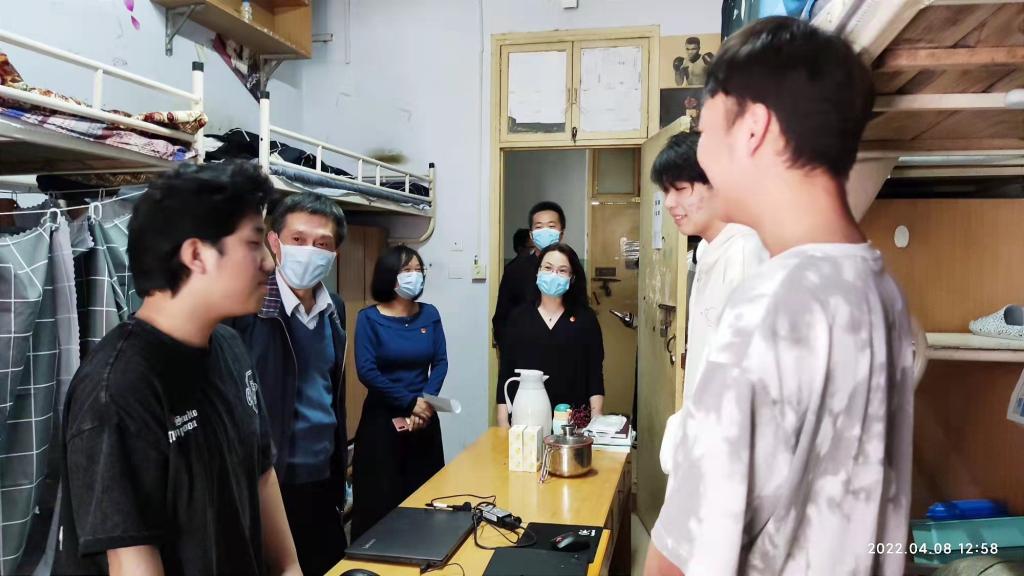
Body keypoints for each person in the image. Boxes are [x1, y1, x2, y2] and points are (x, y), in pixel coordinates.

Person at [646, 17, 914, 576]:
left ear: (752, 129)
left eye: (707, 127)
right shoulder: (879, 288)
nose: (703, 151)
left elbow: (680, 555)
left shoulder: (770, 304)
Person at [58, 162, 300, 575]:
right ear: (196, 255)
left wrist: (290, 569)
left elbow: (261, 474)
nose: (269, 262)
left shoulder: (230, 347)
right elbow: (131, 561)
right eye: (253, 242)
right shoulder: (117, 390)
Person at [226, 191, 349, 576]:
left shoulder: (334, 309)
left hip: (323, 481)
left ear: (334, 253)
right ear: (274, 242)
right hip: (268, 485)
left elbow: (333, 393)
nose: (309, 251)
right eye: (298, 239)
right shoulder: (248, 307)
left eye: (322, 244)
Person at [651, 131, 768, 475]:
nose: (669, 203)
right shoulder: (708, 252)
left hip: (732, 455)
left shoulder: (746, 254)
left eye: (679, 188)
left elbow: (748, 379)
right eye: (666, 191)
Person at [351, 245, 448, 539]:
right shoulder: (369, 318)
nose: (414, 276)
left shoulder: (430, 314)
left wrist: (425, 404)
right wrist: (410, 403)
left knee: (425, 500)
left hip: (424, 419)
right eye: (407, 270)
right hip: (382, 423)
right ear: (389, 275)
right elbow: (367, 371)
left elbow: (440, 362)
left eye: (419, 270)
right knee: (380, 502)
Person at [496, 243, 604, 427]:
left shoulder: (585, 319)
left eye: (562, 270)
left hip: (574, 421)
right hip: (527, 418)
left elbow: (594, 373)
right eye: (547, 268)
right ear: (538, 272)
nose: (553, 275)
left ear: (572, 277)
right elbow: (506, 370)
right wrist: (502, 418)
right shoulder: (518, 317)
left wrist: (596, 416)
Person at [492, 201, 566, 349]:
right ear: (531, 234)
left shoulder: (571, 269)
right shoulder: (515, 270)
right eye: (539, 227)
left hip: (563, 350)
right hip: (523, 352)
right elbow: (501, 318)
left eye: (551, 226)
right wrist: (510, 351)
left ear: (561, 233)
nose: (545, 231)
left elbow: (581, 313)